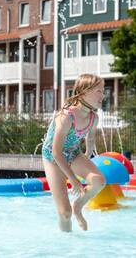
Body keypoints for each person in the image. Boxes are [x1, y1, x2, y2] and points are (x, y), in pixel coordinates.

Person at [42, 74, 106, 232]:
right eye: (99, 91)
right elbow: (57, 152)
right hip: (53, 157)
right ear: (84, 92)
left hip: (73, 154)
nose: (103, 95)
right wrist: (74, 181)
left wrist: (87, 156)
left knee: (99, 181)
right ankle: (67, 245)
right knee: (65, 213)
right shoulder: (66, 116)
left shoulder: (93, 118)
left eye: (103, 91)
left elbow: (90, 141)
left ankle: (78, 206)